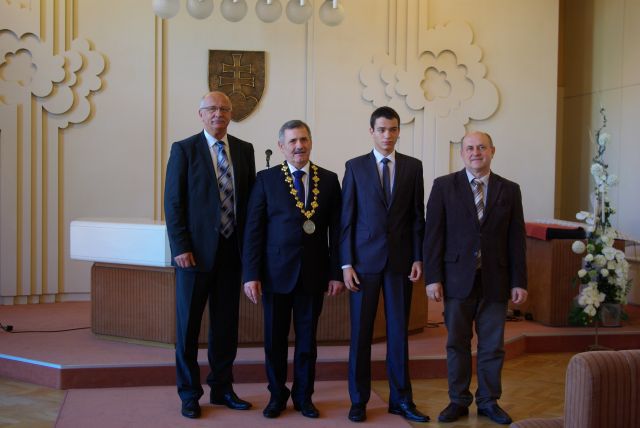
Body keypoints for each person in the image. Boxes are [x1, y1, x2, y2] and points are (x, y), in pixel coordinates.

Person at [423, 131, 527, 425]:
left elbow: (516, 239)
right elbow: (433, 235)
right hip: (456, 279)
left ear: (492, 151)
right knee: (457, 343)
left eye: (482, 147)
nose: (475, 152)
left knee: (492, 346)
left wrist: (519, 281)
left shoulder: (510, 190)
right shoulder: (444, 186)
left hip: (496, 279)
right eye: (469, 148)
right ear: (462, 153)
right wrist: (433, 278)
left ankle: (488, 401)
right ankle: (457, 400)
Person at [242, 120, 344, 419]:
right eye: (293, 141)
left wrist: (336, 273)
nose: (299, 146)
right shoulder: (266, 180)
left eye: (303, 140)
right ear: (281, 146)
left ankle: (303, 396)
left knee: (307, 342)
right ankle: (276, 395)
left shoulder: (329, 180)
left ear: (310, 142)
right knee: (274, 341)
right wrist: (251, 274)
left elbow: (337, 232)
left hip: (314, 275)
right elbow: (253, 231)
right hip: (275, 275)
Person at [164, 91, 256, 419]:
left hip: (232, 254)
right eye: (212, 109)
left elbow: (248, 204)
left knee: (225, 327)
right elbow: (173, 202)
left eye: (224, 109)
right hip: (194, 256)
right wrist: (180, 247)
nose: (219, 114)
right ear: (201, 114)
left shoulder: (244, 150)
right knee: (188, 328)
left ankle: (222, 388)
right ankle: (189, 393)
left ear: (231, 114)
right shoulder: (184, 149)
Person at [340, 106, 429, 423]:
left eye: (392, 129)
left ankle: (401, 400)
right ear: (371, 132)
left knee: (398, 335)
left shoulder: (413, 167)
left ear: (398, 131)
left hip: (401, 263)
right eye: (381, 129)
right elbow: (346, 219)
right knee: (361, 335)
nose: (387, 135)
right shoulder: (355, 167)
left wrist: (418, 256)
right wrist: (346, 264)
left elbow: (417, 217)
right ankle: (358, 400)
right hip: (363, 264)